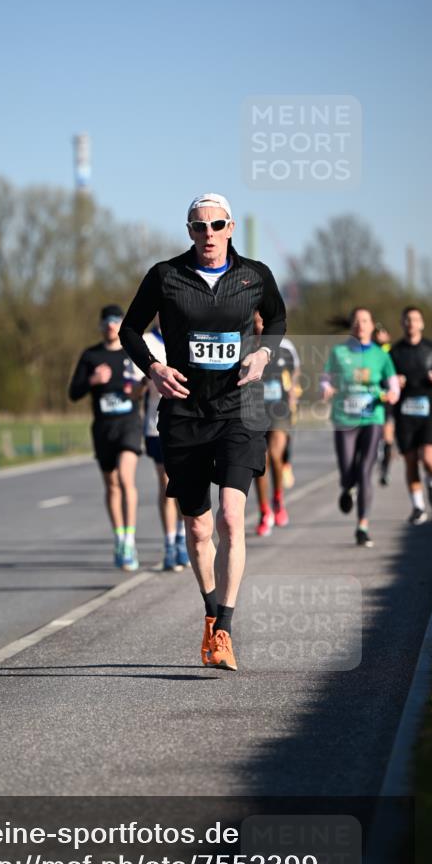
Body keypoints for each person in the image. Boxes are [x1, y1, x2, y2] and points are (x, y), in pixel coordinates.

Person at [120, 193, 286, 671]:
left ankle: (226, 629)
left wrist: (264, 353)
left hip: (239, 410)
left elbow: (275, 318)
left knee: (232, 517)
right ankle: (211, 616)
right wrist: (153, 368)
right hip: (184, 414)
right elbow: (130, 329)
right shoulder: (165, 276)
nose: (208, 234)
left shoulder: (254, 275)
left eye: (216, 225)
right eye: (198, 226)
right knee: (198, 528)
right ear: (188, 230)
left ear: (230, 227)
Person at [69, 304, 144, 570]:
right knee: (112, 485)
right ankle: (120, 538)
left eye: (116, 320)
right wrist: (93, 380)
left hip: (129, 424)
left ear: (122, 323)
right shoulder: (91, 356)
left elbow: (144, 386)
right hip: (103, 428)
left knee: (126, 479)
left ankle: (131, 540)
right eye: (107, 321)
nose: (111, 325)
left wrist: (139, 388)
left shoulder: (132, 353)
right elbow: (73, 393)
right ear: (101, 326)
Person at [321, 307, 400, 547]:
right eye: (356, 321)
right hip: (345, 418)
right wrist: (325, 387)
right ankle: (347, 487)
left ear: (371, 325)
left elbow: (393, 383)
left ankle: (362, 526)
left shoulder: (380, 355)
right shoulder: (339, 352)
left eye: (365, 321)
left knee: (365, 470)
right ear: (352, 326)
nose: (360, 325)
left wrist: (392, 394)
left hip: (372, 418)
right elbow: (326, 377)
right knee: (347, 469)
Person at [142, 318, 190, 571]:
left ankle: (184, 537)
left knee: (185, 484)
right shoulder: (148, 343)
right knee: (166, 484)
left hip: (188, 423)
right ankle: (170, 543)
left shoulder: (188, 333)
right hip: (157, 425)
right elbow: (134, 388)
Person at [254, 314, 299, 536]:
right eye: (255, 323)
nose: (259, 327)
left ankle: (278, 499)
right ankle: (264, 512)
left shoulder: (287, 348)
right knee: (260, 463)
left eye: (263, 322)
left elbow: (294, 376)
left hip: (280, 411)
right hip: (255, 412)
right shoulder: (248, 346)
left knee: (274, 455)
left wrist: (293, 396)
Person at [389, 306, 432, 524]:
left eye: (415, 319)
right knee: (410, 461)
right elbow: (385, 381)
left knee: (428, 458)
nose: (411, 323)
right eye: (407, 319)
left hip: (430, 412)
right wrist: (393, 382)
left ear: (422, 324)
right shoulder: (395, 352)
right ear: (402, 323)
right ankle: (418, 507)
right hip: (404, 413)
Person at [277, 335, 301, 489]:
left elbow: (296, 370)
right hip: (263, 404)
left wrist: (292, 390)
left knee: (286, 436)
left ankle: (286, 462)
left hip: (285, 401)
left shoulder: (287, 346)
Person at [373, 322, 395, 486]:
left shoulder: (392, 352)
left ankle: (385, 469)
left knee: (388, 437)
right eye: (377, 332)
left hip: (388, 399)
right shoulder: (368, 351)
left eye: (382, 332)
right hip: (371, 398)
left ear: (388, 336)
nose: (379, 335)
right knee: (373, 436)